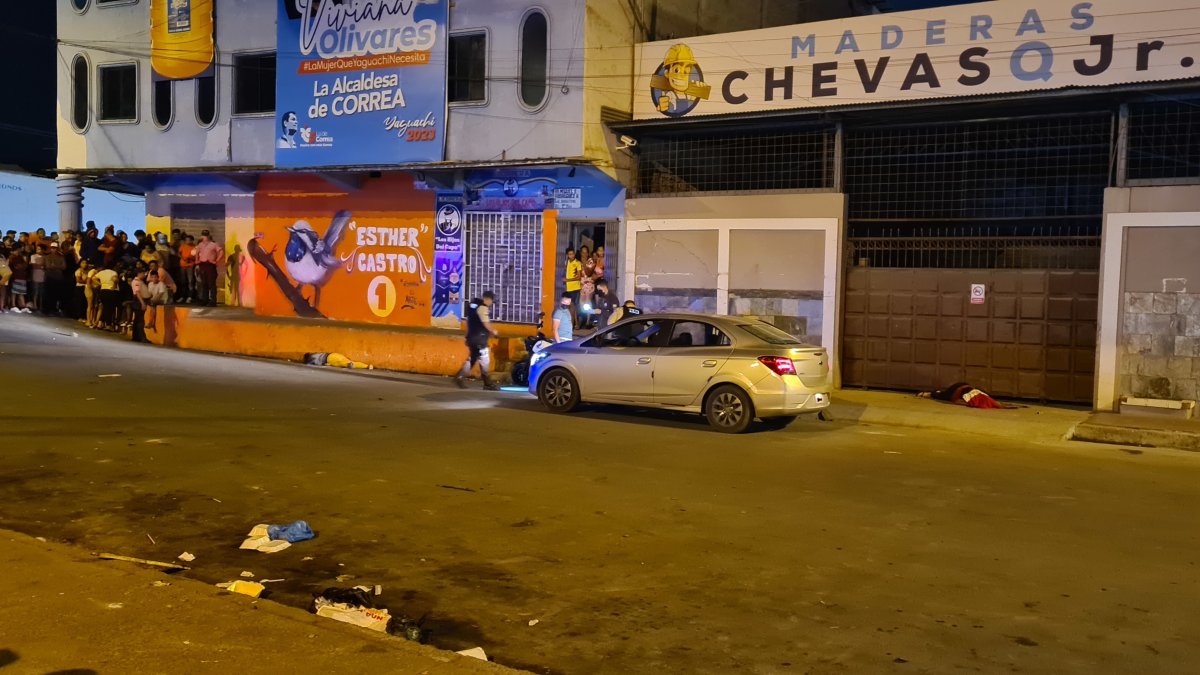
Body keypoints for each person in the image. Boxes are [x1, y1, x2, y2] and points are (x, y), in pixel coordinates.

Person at [454, 290, 500, 390]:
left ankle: (460, 377)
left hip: (472, 337)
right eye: (491, 301)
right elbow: (485, 323)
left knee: (473, 358)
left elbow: (469, 321)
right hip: (479, 338)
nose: (491, 303)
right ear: (488, 299)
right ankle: (487, 383)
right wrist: (494, 332)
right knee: (484, 359)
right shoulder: (483, 308)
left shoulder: (473, 306)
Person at [917, 382, 1020, 409]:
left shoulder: (983, 396)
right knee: (944, 396)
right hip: (959, 390)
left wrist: (1008, 406)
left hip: (964, 386)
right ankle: (928, 393)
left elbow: (997, 403)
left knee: (944, 394)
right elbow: (957, 401)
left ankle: (930, 393)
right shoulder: (978, 400)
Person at [194, 230, 224, 306]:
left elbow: (221, 252)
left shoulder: (213, 244)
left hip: (210, 265)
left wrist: (216, 261)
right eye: (204, 235)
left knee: (211, 283)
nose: (205, 237)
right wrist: (197, 260)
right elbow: (196, 252)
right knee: (204, 283)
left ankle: (213, 301)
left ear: (209, 236)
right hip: (202, 264)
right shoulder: (200, 245)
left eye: (206, 235)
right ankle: (205, 300)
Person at [578, 245, 596, 329]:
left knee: (588, 303)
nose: (584, 254)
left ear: (588, 253)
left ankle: (588, 321)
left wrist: (585, 264)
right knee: (581, 303)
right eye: (583, 252)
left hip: (589, 284)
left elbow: (588, 273)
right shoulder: (578, 262)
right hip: (582, 285)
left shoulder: (590, 261)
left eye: (586, 252)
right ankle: (584, 318)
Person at [564, 246, 582, 327]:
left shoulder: (577, 263)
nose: (571, 255)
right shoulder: (567, 262)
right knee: (572, 306)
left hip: (575, 287)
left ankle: (573, 323)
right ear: (567, 255)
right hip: (569, 287)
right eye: (569, 254)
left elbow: (579, 276)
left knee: (573, 306)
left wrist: (568, 280)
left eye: (572, 254)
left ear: (574, 254)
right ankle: (576, 323)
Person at [178, 234, 196, 303]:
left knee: (190, 281)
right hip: (182, 266)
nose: (188, 241)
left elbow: (196, 256)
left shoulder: (195, 247)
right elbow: (179, 253)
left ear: (192, 240)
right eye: (186, 240)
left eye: (189, 240)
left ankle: (190, 297)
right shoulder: (182, 246)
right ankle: (182, 296)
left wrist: (190, 258)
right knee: (183, 281)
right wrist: (182, 257)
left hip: (190, 266)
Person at [303, 352, 372, 369]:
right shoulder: (316, 354)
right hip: (333, 355)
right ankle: (366, 366)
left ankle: (366, 366)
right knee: (347, 362)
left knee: (347, 363)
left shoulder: (312, 358)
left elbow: (309, 363)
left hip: (329, 359)